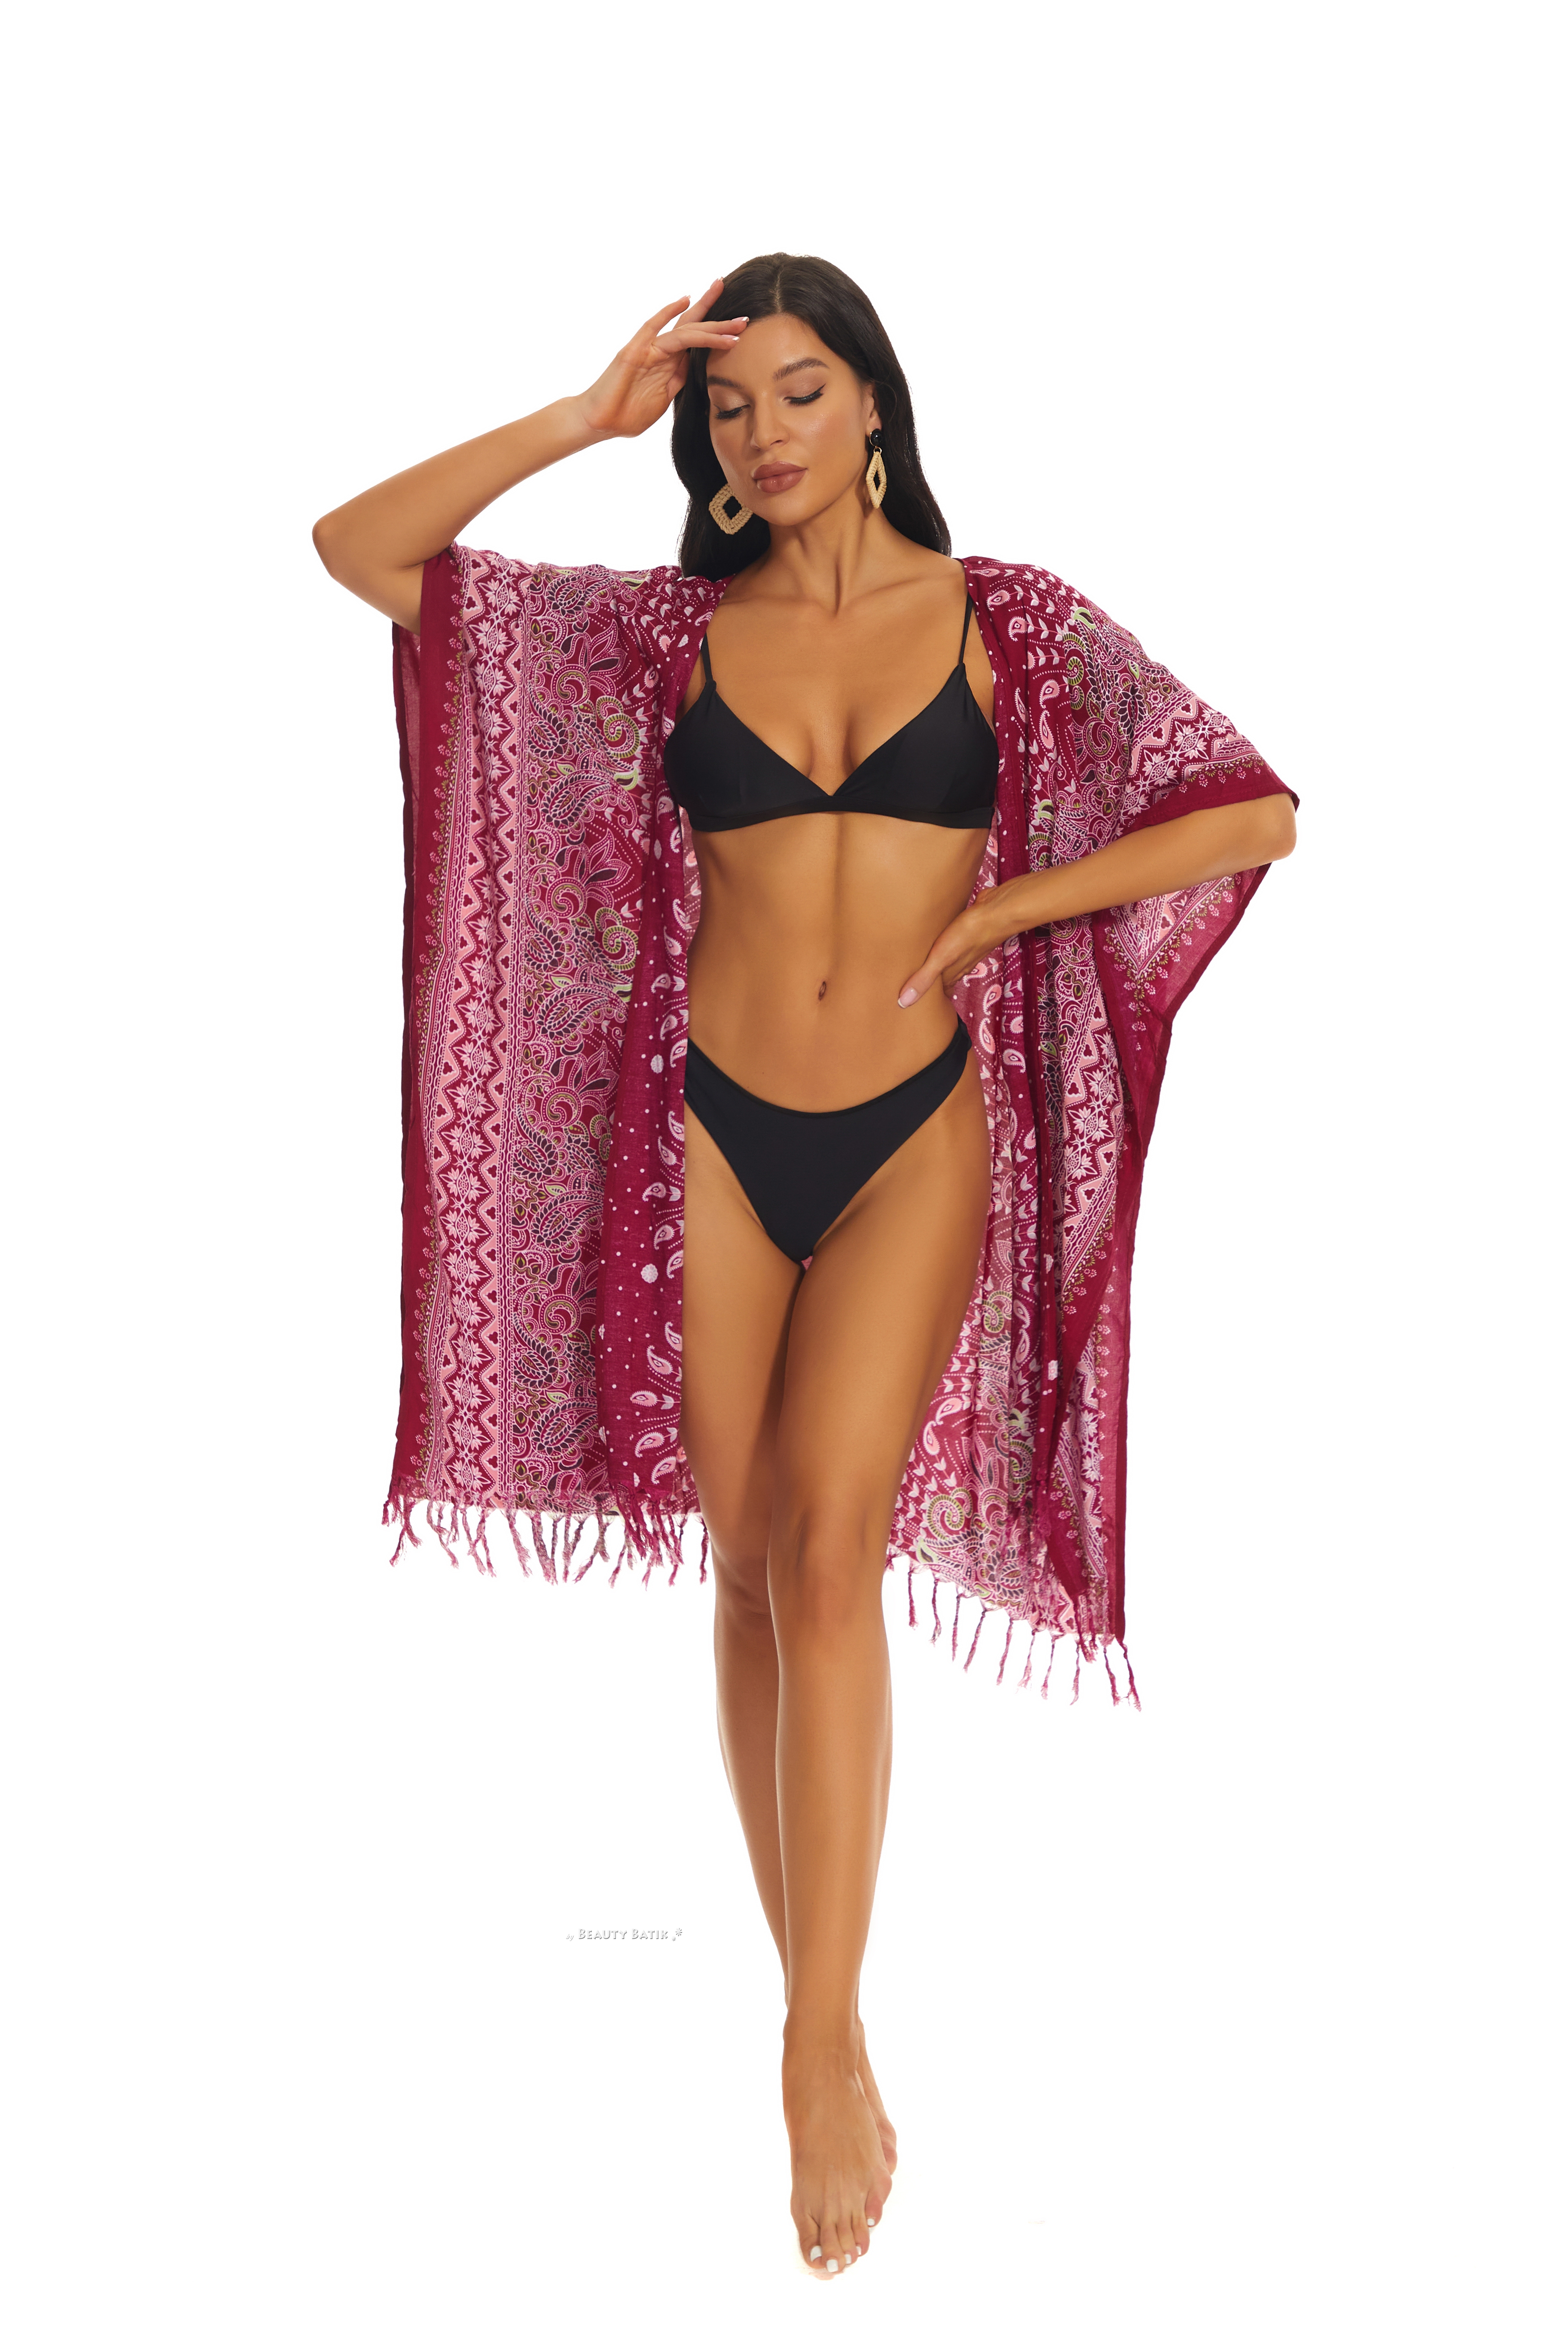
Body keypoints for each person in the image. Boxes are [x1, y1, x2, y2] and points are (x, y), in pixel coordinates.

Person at [312, 252, 1297, 2281]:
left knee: (834, 1544)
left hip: (911, 1132)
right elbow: (361, 551)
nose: (759, 432)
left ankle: (813, 2038)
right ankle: (819, 2000)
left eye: (796, 391)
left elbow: (1254, 816)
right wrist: (579, 419)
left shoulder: (1009, 623)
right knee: (753, 1556)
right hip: (709, 1129)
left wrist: (1012, 902)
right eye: (725, 406)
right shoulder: (659, 639)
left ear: (872, 408)